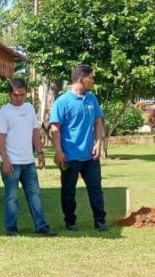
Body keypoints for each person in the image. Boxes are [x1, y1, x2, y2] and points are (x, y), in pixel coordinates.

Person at [0, 78, 58, 237]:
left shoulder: (29, 108)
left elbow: (35, 132)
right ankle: (11, 228)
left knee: (35, 194)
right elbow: (0, 138)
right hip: (11, 163)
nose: (20, 98)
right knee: (11, 197)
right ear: (10, 94)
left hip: (28, 162)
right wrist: (5, 160)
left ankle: (41, 225)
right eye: (16, 95)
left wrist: (40, 153)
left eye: (23, 95)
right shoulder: (4, 112)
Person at [49, 64, 107, 231]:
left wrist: (97, 143)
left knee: (95, 189)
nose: (93, 80)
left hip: (90, 156)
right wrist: (59, 151)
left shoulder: (92, 99)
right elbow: (55, 127)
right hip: (69, 156)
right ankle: (70, 221)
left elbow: (98, 122)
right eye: (91, 77)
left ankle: (100, 220)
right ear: (81, 79)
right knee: (68, 191)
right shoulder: (62, 102)